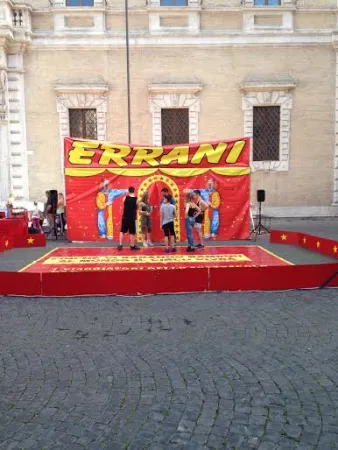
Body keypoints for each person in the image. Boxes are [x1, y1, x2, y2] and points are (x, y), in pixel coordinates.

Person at [118, 187, 140, 251]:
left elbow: (126, 206)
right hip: (132, 218)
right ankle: (132, 246)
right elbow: (138, 208)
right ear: (134, 191)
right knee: (132, 232)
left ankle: (120, 245)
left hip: (125, 217)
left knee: (122, 231)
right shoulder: (137, 199)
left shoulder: (124, 198)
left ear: (128, 191)